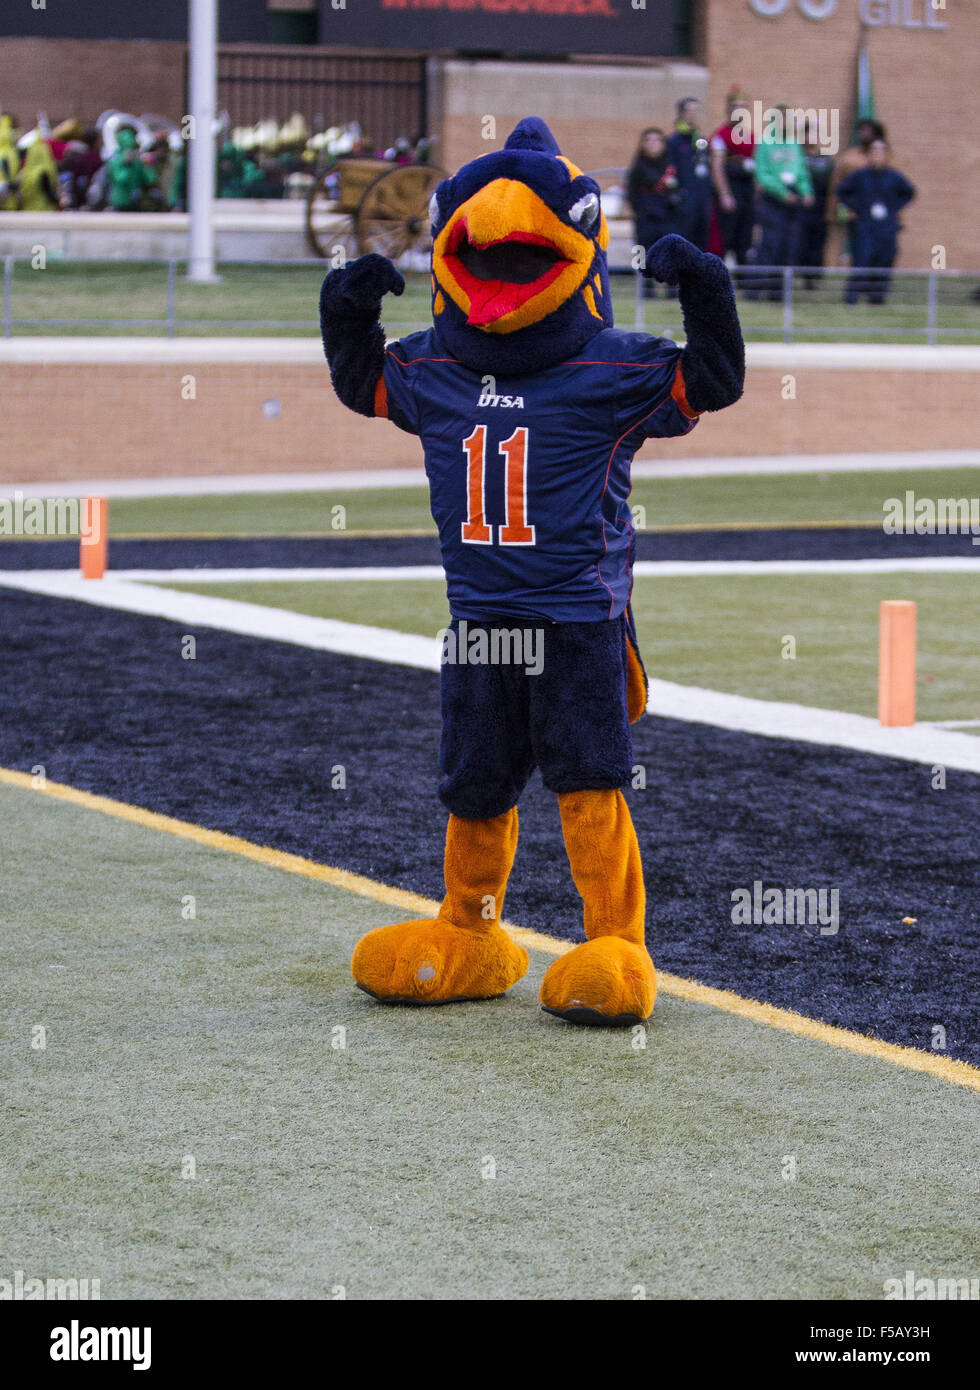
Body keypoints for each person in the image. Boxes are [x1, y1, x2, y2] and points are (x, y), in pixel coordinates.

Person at [836, 138, 914, 305]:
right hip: (865, 226)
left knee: (884, 261)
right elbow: (842, 191)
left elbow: (909, 192)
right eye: (874, 151)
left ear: (887, 155)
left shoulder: (894, 177)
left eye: (881, 151)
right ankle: (852, 297)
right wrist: (854, 208)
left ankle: (877, 297)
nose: (877, 155)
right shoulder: (860, 175)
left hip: (886, 227)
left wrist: (894, 208)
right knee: (862, 261)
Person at [748, 104, 813, 299]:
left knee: (789, 245)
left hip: (794, 201)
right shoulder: (765, 143)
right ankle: (755, 289)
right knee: (769, 245)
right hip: (773, 200)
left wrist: (806, 192)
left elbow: (801, 171)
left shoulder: (793, 143)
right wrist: (782, 193)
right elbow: (762, 174)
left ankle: (778, 292)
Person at [626, 127, 682, 297]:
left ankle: (672, 292)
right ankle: (646, 291)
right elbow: (631, 193)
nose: (652, 145)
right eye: (648, 141)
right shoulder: (638, 168)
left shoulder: (671, 166)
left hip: (667, 216)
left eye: (656, 140)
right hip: (646, 217)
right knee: (643, 254)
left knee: (670, 254)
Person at [710, 89, 756, 271]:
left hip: (747, 192)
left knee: (744, 238)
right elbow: (717, 166)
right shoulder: (721, 135)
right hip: (731, 189)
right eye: (736, 107)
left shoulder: (750, 136)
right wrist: (725, 194)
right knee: (724, 238)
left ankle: (745, 281)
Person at [665, 96, 712, 251]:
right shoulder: (674, 142)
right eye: (689, 111)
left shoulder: (701, 141)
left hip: (701, 202)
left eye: (697, 111)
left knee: (701, 244)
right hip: (684, 203)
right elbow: (670, 173)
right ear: (681, 114)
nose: (693, 115)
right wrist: (678, 196)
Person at [798, 140, 835, 290]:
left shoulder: (825, 160)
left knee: (817, 244)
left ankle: (813, 278)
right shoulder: (795, 154)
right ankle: (800, 275)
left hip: (820, 208)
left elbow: (832, 181)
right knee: (800, 244)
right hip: (799, 208)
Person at [105, 126, 157, 211]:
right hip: (119, 202)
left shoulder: (137, 161)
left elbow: (150, 180)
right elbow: (120, 180)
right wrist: (127, 165)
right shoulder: (115, 161)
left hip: (135, 202)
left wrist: (148, 164)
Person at [17, 137, 59, 211]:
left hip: (27, 211)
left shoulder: (23, 172)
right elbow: (49, 194)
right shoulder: (43, 173)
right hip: (43, 211)